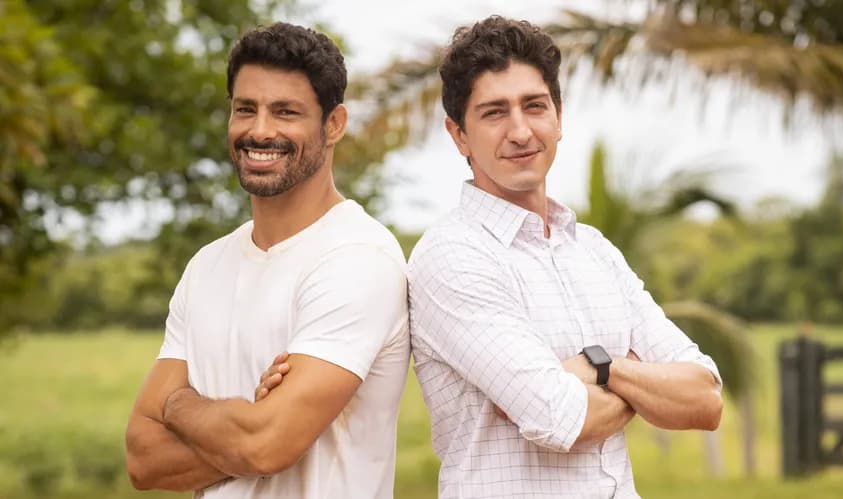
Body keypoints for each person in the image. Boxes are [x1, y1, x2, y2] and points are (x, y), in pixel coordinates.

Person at [406, 16, 723, 498]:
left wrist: (603, 368)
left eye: (534, 106)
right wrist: (643, 383)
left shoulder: (593, 249)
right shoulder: (452, 256)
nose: (520, 131)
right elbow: (560, 419)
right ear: (459, 136)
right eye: (494, 113)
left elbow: (704, 398)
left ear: (558, 116)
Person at [124, 22, 409, 499]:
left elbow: (265, 446)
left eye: (286, 112)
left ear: (333, 124)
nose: (260, 131)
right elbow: (143, 460)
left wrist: (178, 406)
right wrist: (245, 422)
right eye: (245, 109)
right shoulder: (206, 267)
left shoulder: (358, 258)